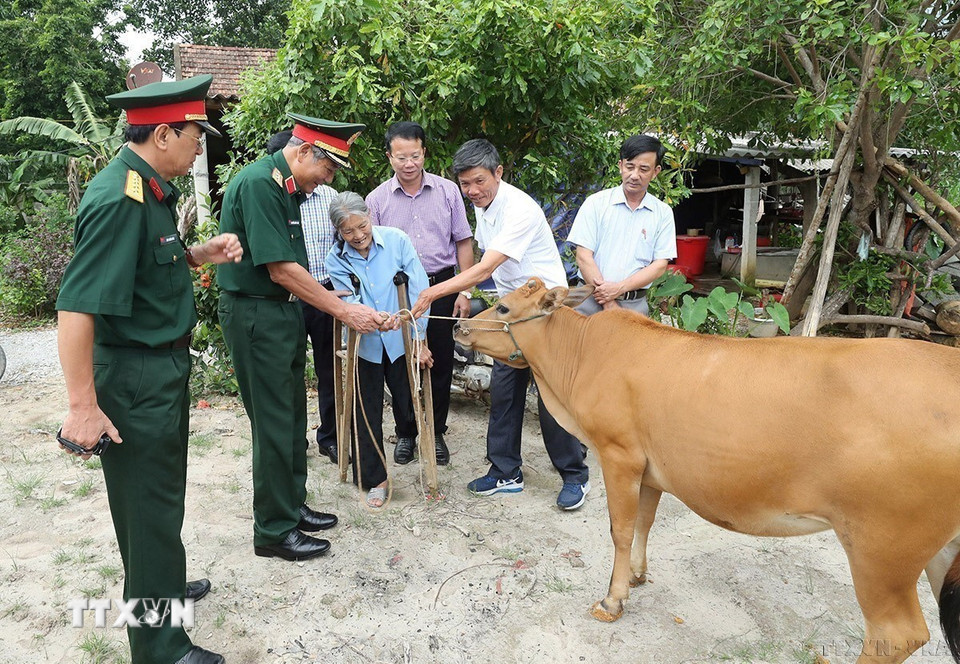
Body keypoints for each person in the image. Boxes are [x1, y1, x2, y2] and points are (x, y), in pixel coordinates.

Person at [56, 74, 240, 664]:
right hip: (135, 378)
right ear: (163, 133)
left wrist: (195, 255)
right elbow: (77, 306)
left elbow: (144, 265)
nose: (199, 147)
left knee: (157, 502)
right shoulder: (120, 198)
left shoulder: (150, 188)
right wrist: (83, 406)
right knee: (148, 507)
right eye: (195, 136)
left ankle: (160, 587)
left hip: (159, 370)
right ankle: (161, 646)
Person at [217, 114, 390, 562]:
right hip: (258, 315)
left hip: (281, 314)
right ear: (304, 151)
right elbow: (281, 269)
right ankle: (273, 530)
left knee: (292, 417)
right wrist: (343, 309)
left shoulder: (287, 189)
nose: (328, 180)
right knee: (274, 423)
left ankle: (290, 506)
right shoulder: (259, 184)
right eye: (328, 169)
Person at [411, 139, 591, 511]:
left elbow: (484, 267)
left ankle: (575, 474)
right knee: (505, 390)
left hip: (543, 314)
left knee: (551, 398)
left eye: (479, 181)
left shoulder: (519, 209)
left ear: (498, 173)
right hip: (510, 313)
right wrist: (468, 293)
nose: (472, 191)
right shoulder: (484, 206)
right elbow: (484, 261)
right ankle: (505, 471)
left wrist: (432, 294)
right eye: (465, 184)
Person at [366, 121, 474, 466]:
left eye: (415, 155)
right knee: (400, 363)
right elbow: (370, 250)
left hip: (441, 286)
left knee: (439, 361)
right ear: (389, 157)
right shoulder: (377, 199)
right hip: (397, 292)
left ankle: (436, 430)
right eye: (401, 157)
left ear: (424, 152)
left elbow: (463, 241)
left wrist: (465, 289)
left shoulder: (447, 191)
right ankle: (407, 432)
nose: (409, 163)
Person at [325, 192, 433, 507]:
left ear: (370, 216)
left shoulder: (397, 240)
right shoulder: (337, 258)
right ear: (339, 231)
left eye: (362, 226)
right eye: (348, 232)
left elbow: (418, 287)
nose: (358, 236)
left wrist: (418, 337)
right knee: (365, 410)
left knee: (410, 401)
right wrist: (371, 317)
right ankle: (376, 479)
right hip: (366, 344)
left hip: (403, 340)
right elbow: (347, 301)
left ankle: (422, 455)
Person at [267, 130, 341, 465]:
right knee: (287, 371)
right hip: (286, 298)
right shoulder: (271, 197)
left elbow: (345, 244)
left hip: (325, 294)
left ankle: (331, 437)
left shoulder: (329, 198)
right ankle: (295, 440)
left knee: (330, 369)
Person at [567, 134, 676, 316]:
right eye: (630, 167)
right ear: (620, 166)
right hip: (588, 302)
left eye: (643, 169)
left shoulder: (662, 213)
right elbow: (583, 256)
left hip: (634, 306)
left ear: (655, 172)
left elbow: (659, 265)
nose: (635, 175)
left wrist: (618, 288)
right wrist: (609, 303)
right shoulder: (596, 203)